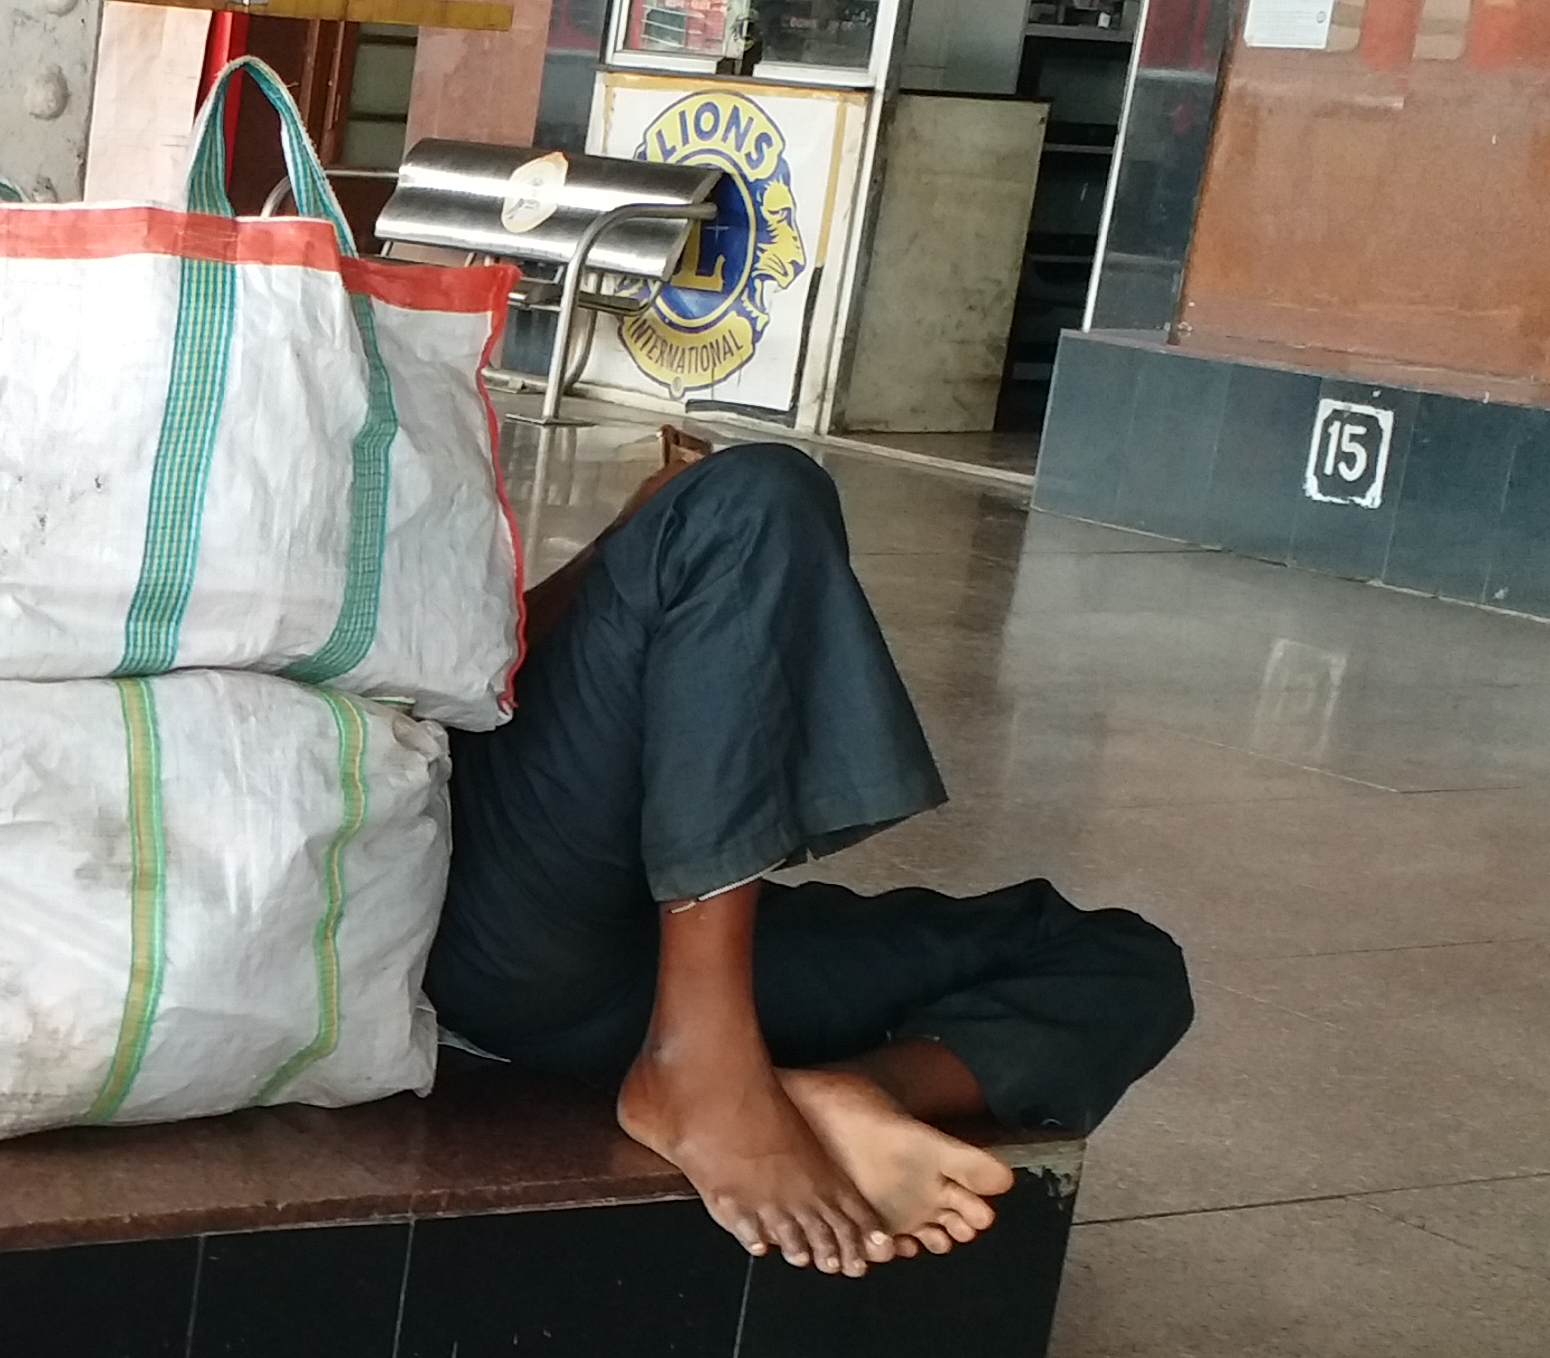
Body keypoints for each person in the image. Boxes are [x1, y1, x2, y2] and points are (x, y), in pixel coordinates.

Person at [432, 429, 1193, 1275]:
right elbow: (439, 694)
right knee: (752, 495)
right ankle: (700, 1064)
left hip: (629, 959)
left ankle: (842, 1093)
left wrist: (624, 539)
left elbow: (477, 660)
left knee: (1128, 962)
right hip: (482, 904)